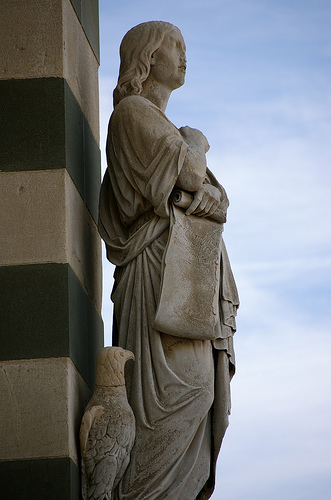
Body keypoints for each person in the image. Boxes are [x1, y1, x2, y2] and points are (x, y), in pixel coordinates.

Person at [98, 21, 239, 500]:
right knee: (191, 390)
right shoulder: (133, 114)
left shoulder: (155, 122)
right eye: (174, 45)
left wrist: (202, 190)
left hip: (181, 269)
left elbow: (215, 198)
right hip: (157, 271)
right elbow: (191, 172)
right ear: (147, 57)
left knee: (202, 395)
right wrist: (196, 143)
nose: (184, 54)